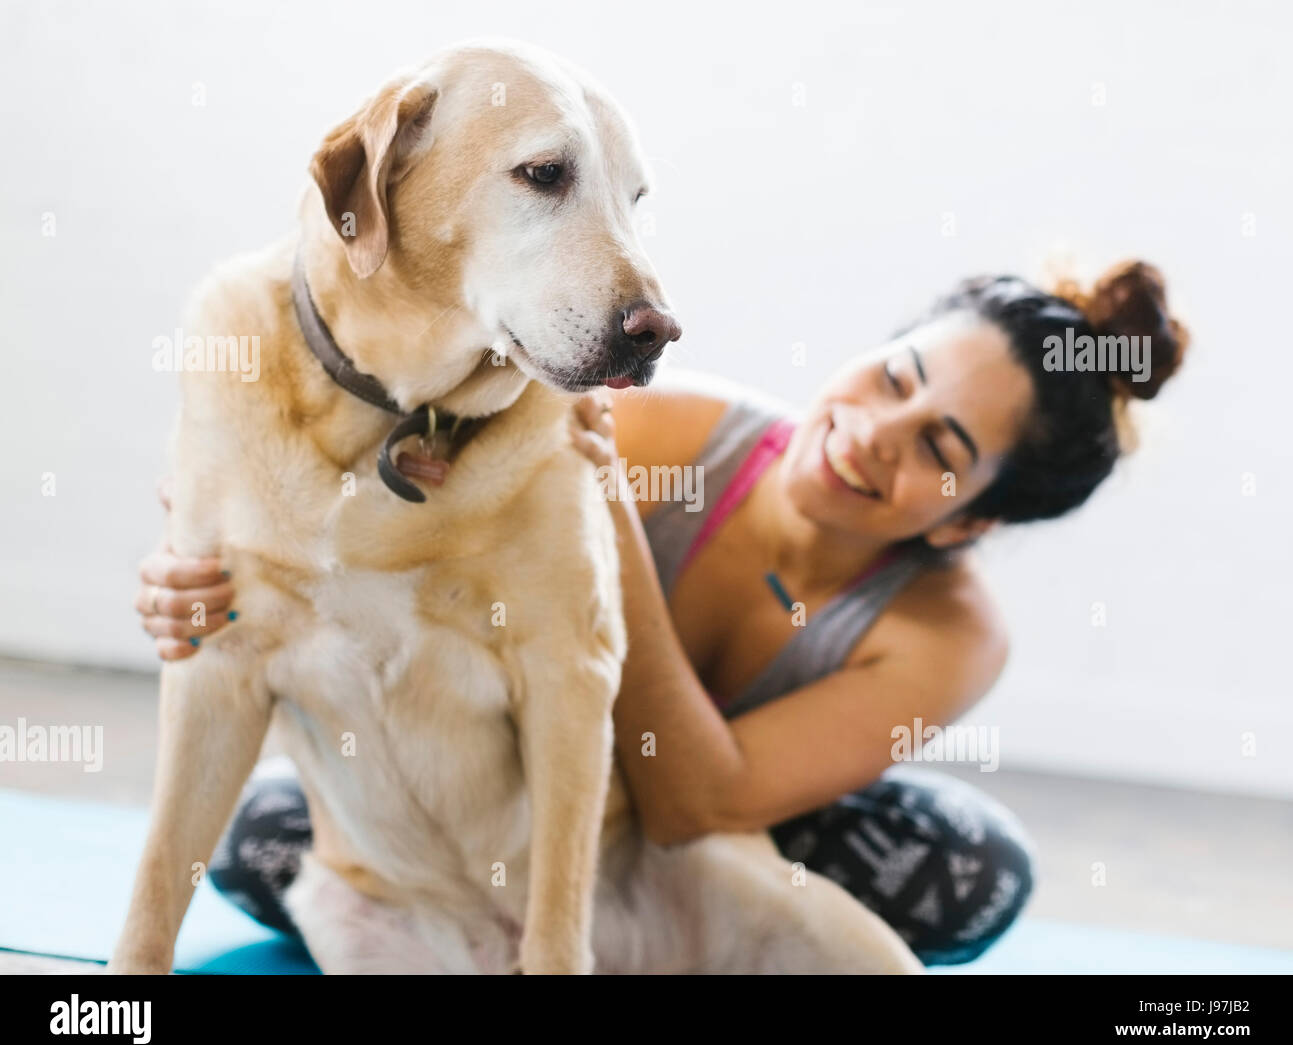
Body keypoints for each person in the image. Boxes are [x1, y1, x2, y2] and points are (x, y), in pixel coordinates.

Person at [134, 260, 1188, 966]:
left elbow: (696, 799)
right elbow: (377, 540)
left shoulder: (947, 629)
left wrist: (600, 512)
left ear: (966, 524)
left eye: (939, 449)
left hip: (724, 821)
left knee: (976, 870)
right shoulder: (670, 429)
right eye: (894, 376)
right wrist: (203, 564)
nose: (875, 431)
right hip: (522, 782)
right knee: (259, 828)